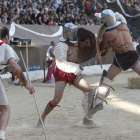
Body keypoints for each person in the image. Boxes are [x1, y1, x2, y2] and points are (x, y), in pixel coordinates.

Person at [37, 23, 98, 127]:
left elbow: (82, 46)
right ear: (68, 34)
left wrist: (89, 44)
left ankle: (87, 119)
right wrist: (75, 68)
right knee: (56, 99)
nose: (75, 34)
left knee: (90, 93)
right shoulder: (61, 46)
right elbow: (60, 62)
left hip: (74, 71)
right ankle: (42, 118)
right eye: (73, 32)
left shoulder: (77, 42)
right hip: (62, 71)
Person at [90, 9, 140, 122]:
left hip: (120, 59)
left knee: (106, 82)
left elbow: (102, 49)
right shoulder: (124, 25)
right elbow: (117, 15)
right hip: (133, 56)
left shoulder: (108, 34)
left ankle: (96, 105)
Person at [0, 27, 35, 140]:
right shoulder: (4, 46)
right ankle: (1, 136)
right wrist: (26, 84)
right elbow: (14, 66)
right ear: (6, 37)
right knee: (5, 109)